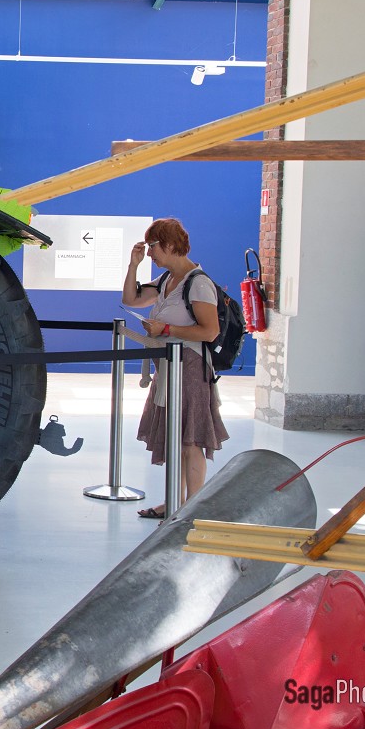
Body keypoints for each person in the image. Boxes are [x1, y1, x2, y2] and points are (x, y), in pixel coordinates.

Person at [121, 217, 228, 519]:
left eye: (152, 247)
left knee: (191, 440)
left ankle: (191, 509)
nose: (150, 253)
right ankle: (175, 501)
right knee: (177, 438)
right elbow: (130, 299)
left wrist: (166, 329)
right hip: (169, 370)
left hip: (191, 370)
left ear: (169, 245)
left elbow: (209, 332)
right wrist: (134, 265)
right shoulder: (168, 281)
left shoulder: (198, 283)